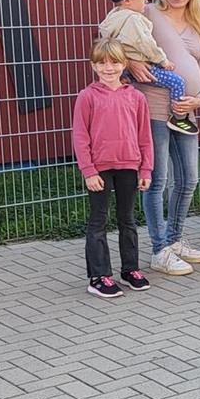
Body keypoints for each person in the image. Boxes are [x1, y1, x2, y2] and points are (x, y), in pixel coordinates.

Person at [125, 0, 200, 277]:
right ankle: (159, 249)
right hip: (154, 109)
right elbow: (109, 42)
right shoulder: (146, 13)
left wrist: (199, 97)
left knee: (189, 179)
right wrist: (130, 63)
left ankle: (174, 240)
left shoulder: (197, 22)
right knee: (157, 181)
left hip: (185, 112)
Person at [72, 38, 153, 299]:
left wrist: (146, 170)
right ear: (93, 66)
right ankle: (99, 276)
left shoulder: (136, 97)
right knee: (99, 220)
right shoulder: (87, 97)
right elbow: (80, 137)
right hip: (100, 169)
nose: (109, 68)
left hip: (129, 166)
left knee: (127, 219)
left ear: (124, 64)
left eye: (115, 62)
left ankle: (130, 269)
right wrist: (88, 171)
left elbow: (145, 136)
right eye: (102, 63)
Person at [99, 0, 196, 136]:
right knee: (177, 82)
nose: (146, 2)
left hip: (123, 68)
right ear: (127, 1)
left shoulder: (112, 18)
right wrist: (163, 61)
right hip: (141, 66)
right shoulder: (134, 19)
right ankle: (179, 117)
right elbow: (146, 44)